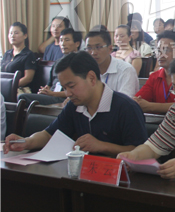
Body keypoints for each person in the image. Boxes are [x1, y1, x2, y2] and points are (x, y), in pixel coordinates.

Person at [4, 51, 147, 156]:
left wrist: (102, 146)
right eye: (64, 88)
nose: (67, 93)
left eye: (71, 86)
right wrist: (27, 142)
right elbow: (48, 135)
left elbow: (140, 151)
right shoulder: (74, 106)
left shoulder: (126, 107)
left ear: (91, 78)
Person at [18, 28, 82, 106]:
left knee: (23, 97)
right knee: (22, 97)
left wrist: (52, 94)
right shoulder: (58, 62)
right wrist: (44, 91)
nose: (63, 43)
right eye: (61, 40)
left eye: (67, 40)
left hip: (63, 99)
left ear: (77, 44)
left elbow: (76, 91)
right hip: (51, 95)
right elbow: (49, 85)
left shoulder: (79, 63)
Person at [133, 31, 175, 114]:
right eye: (158, 50)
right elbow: (138, 101)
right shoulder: (155, 76)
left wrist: (151, 107)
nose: (160, 54)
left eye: (166, 50)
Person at [84, 30, 139, 97]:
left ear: (110, 49)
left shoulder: (126, 70)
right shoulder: (84, 70)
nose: (93, 53)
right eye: (89, 48)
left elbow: (124, 101)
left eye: (98, 47)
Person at [1, 22, 37, 92]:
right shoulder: (7, 54)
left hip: (20, 89)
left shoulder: (28, 55)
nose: (12, 36)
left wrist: (10, 86)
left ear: (25, 36)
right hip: (4, 88)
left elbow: (28, 78)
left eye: (16, 33)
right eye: (10, 33)